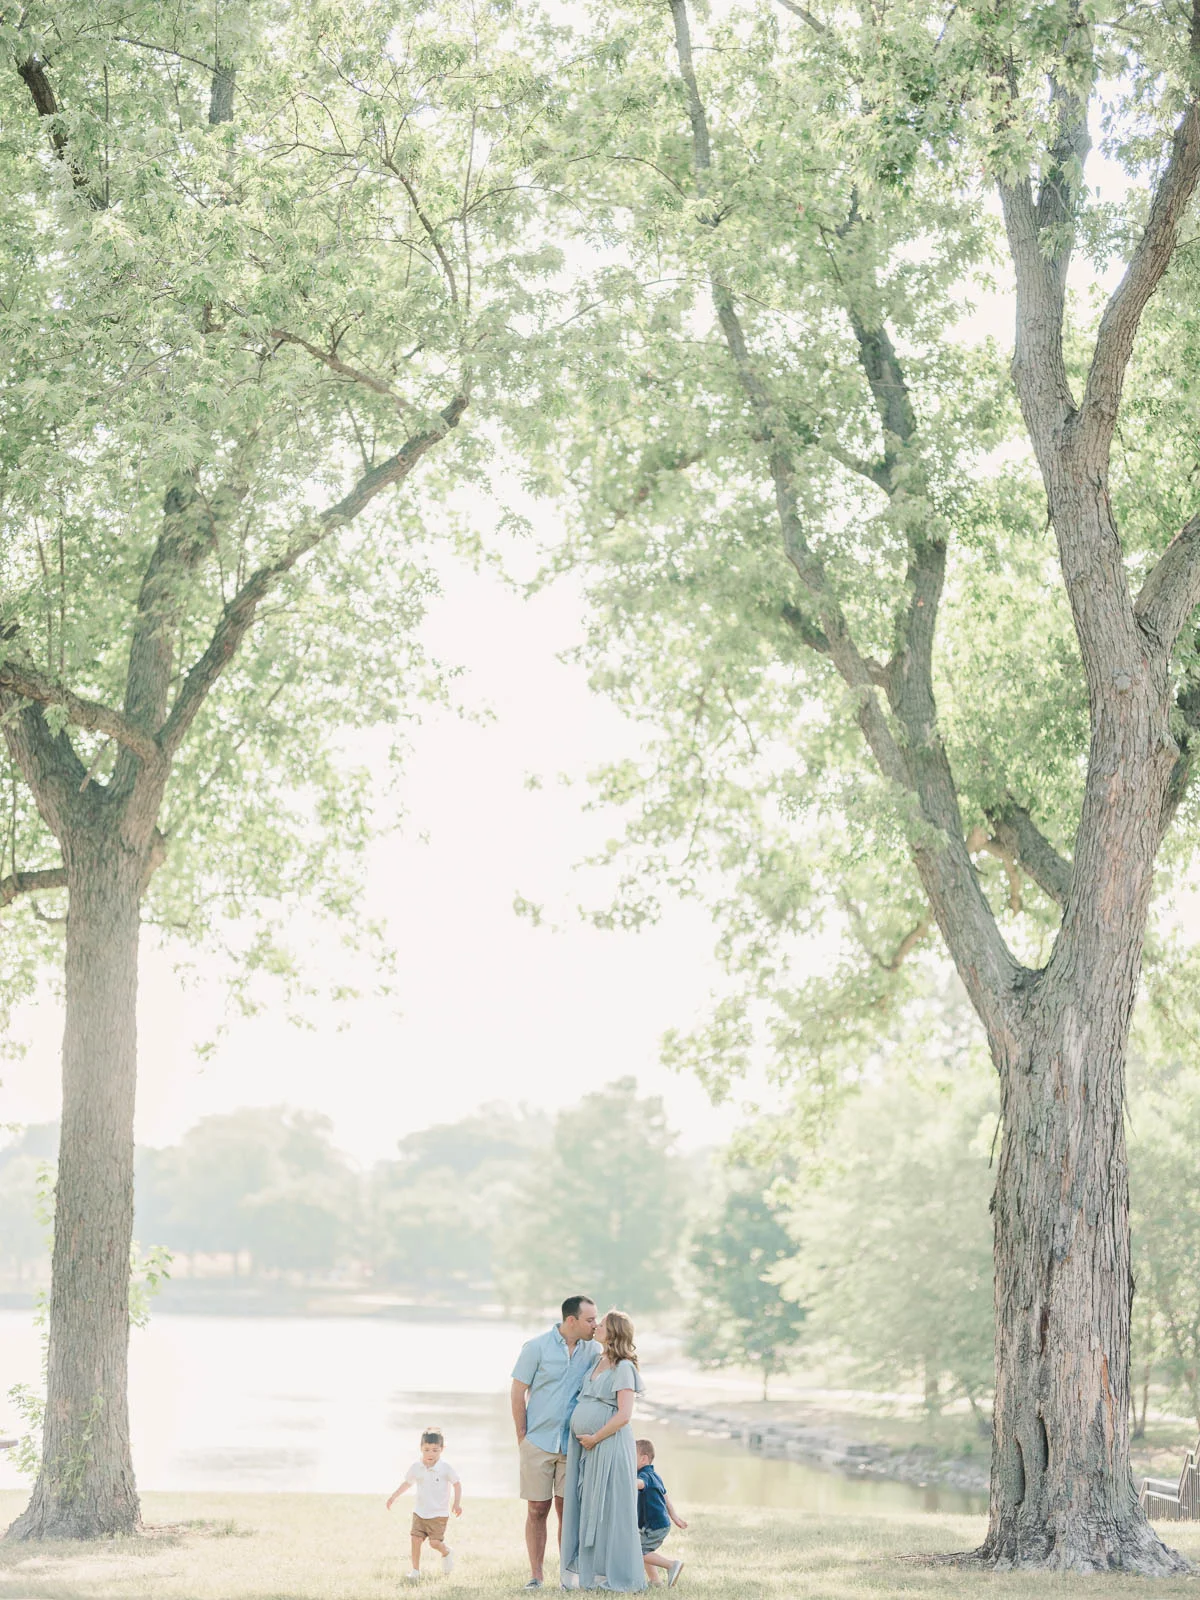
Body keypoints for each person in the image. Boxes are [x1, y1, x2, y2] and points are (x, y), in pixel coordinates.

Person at [512, 1294, 603, 1589]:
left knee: (568, 1511)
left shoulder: (593, 1351)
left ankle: (568, 1575)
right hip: (537, 1441)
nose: (595, 1324)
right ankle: (536, 1576)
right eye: (590, 1319)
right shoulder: (536, 1347)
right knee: (537, 1510)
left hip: (573, 1444)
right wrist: (522, 1436)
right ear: (571, 1320)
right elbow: (517, 1392)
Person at [561, 1309, 646, 1592]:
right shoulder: (598, 1361)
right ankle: (593, 1574)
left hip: (608, 1444)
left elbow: (624, 1415)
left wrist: (595, 1437)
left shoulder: (623, 1368)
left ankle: (619, 1574)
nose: (596, 1326)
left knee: (611, 1509)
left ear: (614, 1333)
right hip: (590, 1446)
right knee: (591, 1507)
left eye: (603, 1324)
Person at [386, 1427, 463, 1582]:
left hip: (438, 1514)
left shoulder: (445, 1468)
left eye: (435, 1450)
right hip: (420, 1512)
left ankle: (446, 1551)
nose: (430, 1454)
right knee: (415, 1539)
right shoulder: (417, 1467)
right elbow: (407, 1483)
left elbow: (457, 1484)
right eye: (426, 1449)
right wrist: (394, 1496)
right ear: (421, 1448)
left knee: (434, 1543)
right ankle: (415, 1571)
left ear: (442, 1449)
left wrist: (456, 1503)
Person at [635, 1440, 686, 1587]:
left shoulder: (645, 1476)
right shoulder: (654, 1475)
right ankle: (655, 1581)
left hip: (655, 1525)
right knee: (644, 1549)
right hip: (658, 1523)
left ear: (643, 1459)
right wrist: (675, 1517)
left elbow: (639, 1484)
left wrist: (623, 1478)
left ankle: (671, 1565)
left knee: (639, 1551)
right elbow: (665, 1497)